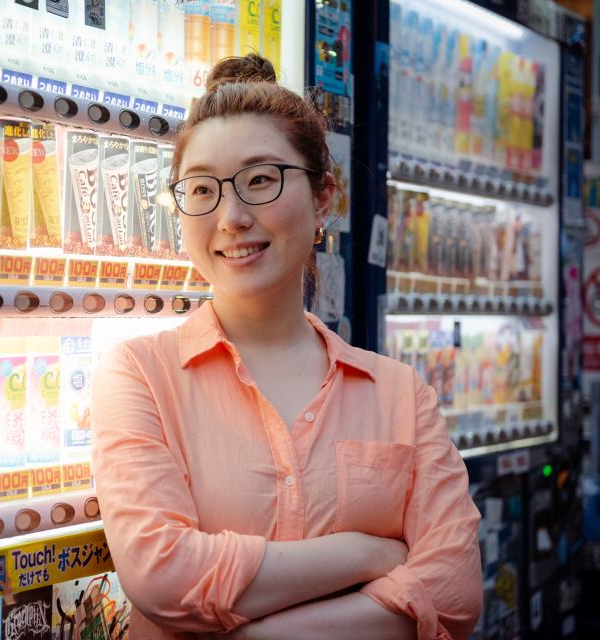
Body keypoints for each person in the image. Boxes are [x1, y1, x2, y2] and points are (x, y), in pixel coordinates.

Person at [90, 54, 482, 640]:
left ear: (323, 198)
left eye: (260, 180)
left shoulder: (403, 396)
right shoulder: (137, 374)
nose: (231, 217)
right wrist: (368, 554)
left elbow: (454, 592)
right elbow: (162, 577)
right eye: (202, 189)